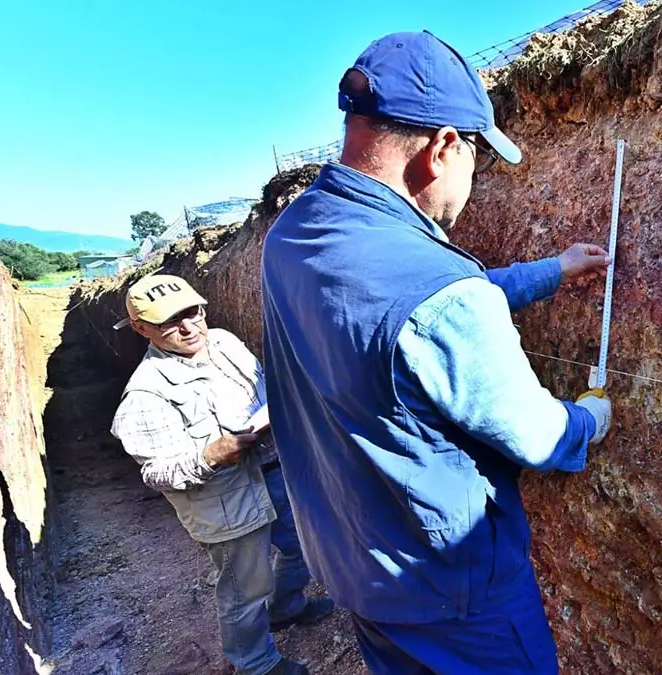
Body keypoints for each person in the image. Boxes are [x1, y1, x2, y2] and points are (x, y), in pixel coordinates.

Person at [260, 31, 613, 675]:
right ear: (443, 147)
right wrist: (590, 418)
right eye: (477, 155)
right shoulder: (437, 288)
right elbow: (536, 435)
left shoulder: (293, 232)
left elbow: (401, 324)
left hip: (353, 568)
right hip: (455, 598)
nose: (473, 177)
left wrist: (548, 272)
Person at [110, 274, 334, 675]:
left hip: (274, 470)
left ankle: (286, 607)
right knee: (245, 589)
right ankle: (255, 663)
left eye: (193, 313)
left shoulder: (225, 343)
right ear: (142, 329)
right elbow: (156, 473)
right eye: (169, 322)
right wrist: (209, 457)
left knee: (301, 546)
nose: (189, 327)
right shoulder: (145, 394)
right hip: (224, 502)